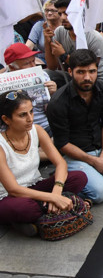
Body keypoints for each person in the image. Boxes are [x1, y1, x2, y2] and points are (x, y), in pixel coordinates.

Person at [48, 49, 103, 203]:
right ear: (70, 71)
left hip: (100, 148)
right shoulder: (58, 103)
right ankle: (73, 178)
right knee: (101, 193)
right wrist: (93, 161)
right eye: (81, 72)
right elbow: (62, 144)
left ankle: (95, 176)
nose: (87, 77)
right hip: (73, 155)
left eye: (92, 71)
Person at [0, 90, 88, 236]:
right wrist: (53, 198)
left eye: (31, 112)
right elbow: (13, 189)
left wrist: (57, 191)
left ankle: (38, 217)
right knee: (27, 208)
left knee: (79, 177)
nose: (30, 119)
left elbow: (61, 163)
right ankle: (46, 211)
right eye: (22, 115)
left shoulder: (37, 130)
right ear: (6, 119)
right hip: (8, 197)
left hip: (34, 186)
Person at [44, 0, 103, 82]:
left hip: (95, 80)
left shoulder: (95, 37)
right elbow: (52, 66)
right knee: (46, 74)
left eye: (67, 13)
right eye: (60, 14)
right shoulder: (59, 31)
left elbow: (87, 70)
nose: (63, 18)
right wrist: (47, 42)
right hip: (72, 77)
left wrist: (63, 55)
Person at [3, 44, 56, 135]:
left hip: (44, 127)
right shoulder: (2, 83)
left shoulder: (42, 76)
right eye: (27, 63)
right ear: (12, 67)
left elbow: (53, 111)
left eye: (33, 61)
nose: (33, 66)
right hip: (14, 132)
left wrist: (54, 94)